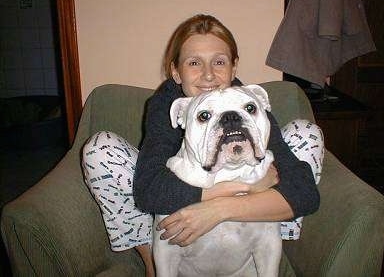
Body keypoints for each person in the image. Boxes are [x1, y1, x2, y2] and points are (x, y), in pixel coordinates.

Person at [81, 14, 324, 276]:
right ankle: (150, 260)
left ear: (234, 67)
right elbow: (148, 189)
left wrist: (217, 210)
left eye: (219, 62)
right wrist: (245, 188)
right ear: (176, 71)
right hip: (181, 196)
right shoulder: (166, 105)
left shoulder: (249, 102)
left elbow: (305, 193)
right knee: (99, 148)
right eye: (194, 62)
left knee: (306, 133)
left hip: (250, 213)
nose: (208, 74)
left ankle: (264, 247)